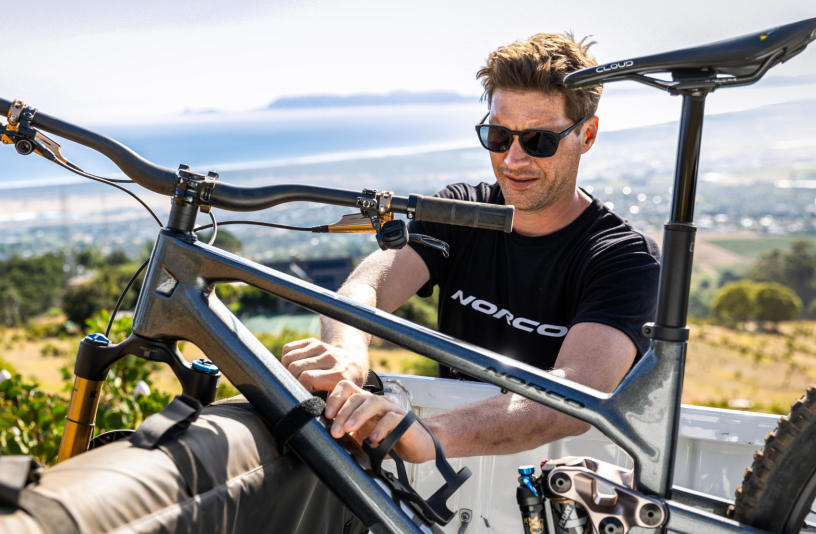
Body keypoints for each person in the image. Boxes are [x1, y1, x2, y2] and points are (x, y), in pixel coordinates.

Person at [280, 32, 659, 463]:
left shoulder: (623, 257)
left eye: (539, 141)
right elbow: (366, 288)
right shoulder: (462, 210)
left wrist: (427, 435)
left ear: (587, 135)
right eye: (499, 136)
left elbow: (577, 395)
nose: (513, 160)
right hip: (451, 468)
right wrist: (347, 353)